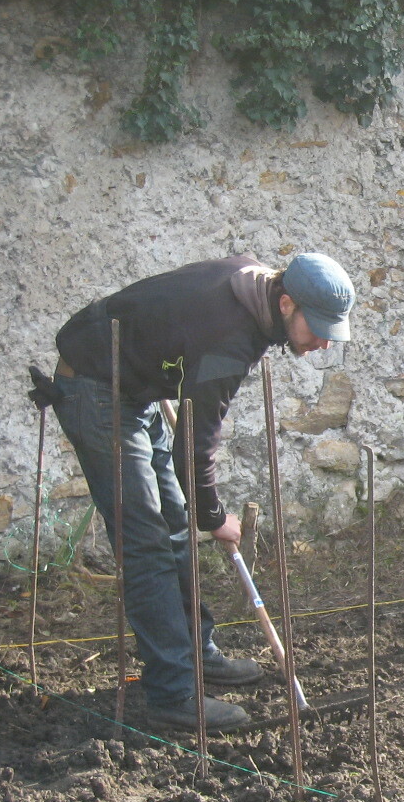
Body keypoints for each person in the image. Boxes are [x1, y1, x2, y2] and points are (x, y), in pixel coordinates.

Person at [43, 253, 357, 731]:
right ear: (286, 304)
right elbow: (197, 441)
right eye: (317, 328)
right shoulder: (230, 336)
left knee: (173, 526)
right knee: (146, 543)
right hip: (96, 386)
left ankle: (197, 653)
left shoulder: (251, 283)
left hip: (134, 387)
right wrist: (213, 516)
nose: (323, 342)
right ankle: (173, 693)